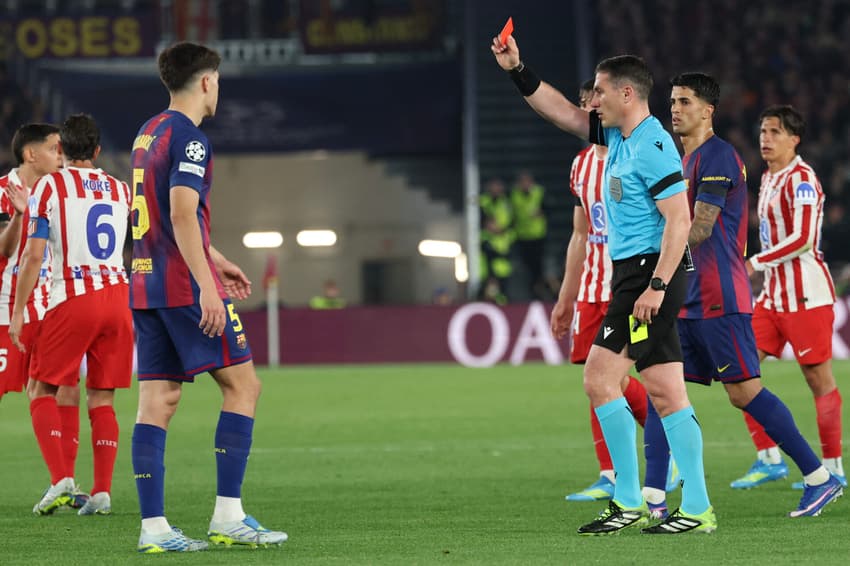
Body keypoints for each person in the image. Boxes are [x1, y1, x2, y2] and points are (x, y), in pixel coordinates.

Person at [492, 36, 714, 535]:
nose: (591, 101)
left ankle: (629, 499)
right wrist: (517, 68)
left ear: (628, 95)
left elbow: (679, 221)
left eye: (599, 92)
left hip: (650, 275)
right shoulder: (617, 136)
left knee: (598, 378)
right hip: (635, 273)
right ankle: (697, 507)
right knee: (665, 392)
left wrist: (655, 287)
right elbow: (561, 113)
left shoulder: (654, 145)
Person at [645, 74, 841, 518]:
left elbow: (702, 226)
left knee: (744, 392)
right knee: (662, 389)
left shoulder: (718, 156)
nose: (675, 109)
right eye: (672, 101)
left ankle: (819, 476)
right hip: (687, 296)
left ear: (707, 111)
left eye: (685, 102)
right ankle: (652, 499)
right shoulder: (681, 159)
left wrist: (649, 256)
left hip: (719, 296)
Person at [129, 41, 287, 553]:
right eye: (217, 80)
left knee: (158, 400)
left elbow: (164, 214)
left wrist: (215, 259)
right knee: (244, 387)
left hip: (146, 283)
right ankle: (228, 517)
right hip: (180, 286)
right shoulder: (192, 139)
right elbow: (178, 213)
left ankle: (153, 529)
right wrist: (206, 284)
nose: (218, 88)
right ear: (205, 82)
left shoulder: (148, 132)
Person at [10, 114, 133, 517]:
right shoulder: (120, 189)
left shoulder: (49, 186)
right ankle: (102, 492)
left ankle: (61, 477)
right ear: (97, 151)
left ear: (60, 150)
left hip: (73, 297)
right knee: (102, 397)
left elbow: (32, 256)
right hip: (117, 296)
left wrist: (17, 312)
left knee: (40, 389)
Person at [551, 79, 652, 505]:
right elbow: (580, 235)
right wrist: (565, 296)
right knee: (596, 381)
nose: (593, 106)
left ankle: (665, 451)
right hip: (592, 287)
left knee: (633, 376)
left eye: (598, 99)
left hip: (630, 284)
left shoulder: (635, 153)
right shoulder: (579, 166)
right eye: (586, 102)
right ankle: (609, 474)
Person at [736, 105, 845, 491]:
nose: (766, 139)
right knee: (738, 368)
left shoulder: (802, 179)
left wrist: (755, 262)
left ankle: (833, 467)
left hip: (806, 297)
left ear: (794, 139)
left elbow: (801, 239)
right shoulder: (767, 177)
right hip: (772, 297)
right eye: (763, 131)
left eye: (775, 132)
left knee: (818, 381)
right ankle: (769, 458)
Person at [0, 123, 90, 510]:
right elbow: (4, 252)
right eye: (55, 149)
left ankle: (64, 482)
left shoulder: (60, 191)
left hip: (50, 306)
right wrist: (20, 216)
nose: (62, 156)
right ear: (30, 155)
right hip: (6, 308)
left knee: (66, 387)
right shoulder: (2, 190)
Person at [511, 171, 548, 299]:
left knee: (537, 266)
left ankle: (539, 290)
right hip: (522, 236)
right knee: (525, 267)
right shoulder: (514, 195)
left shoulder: (539, 193)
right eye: (522, 182)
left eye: (527, 181)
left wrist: (542, 212)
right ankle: (530, 291)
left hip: (538, 236)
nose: (525, 184)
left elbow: (549, 208)